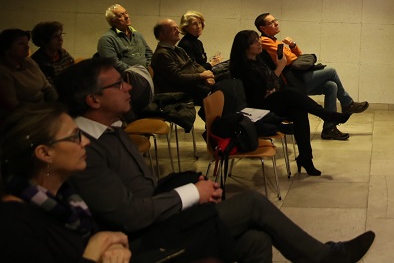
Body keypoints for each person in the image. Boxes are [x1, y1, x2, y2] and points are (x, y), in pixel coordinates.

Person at [57, 57, 376, 263]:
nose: (128, 87)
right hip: (145, 239)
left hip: (162, 217)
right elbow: (128, 214)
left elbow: (142, 188)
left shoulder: (110, 129)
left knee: (256, 241)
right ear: (93, 99)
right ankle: (325, 257)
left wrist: (185, 186)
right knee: (252, 203)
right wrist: (190, 193)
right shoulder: (85, 149)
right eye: (118, 84)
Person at [0, 102, 131, 263]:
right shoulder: (13, 222)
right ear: (44, 153)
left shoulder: (66, 195)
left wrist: (111, 247)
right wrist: (96, 248)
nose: (86, 141)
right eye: (75, 136)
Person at [229, 30, 352, 177]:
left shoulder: (261, 56)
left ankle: (306, 158)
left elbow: (273, 81)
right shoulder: (241, 67)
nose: (259, 43)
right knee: (290, 93)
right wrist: (279, 69)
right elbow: (258, 92)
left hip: (271, 99)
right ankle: (326, 114)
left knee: (299, 111)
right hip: (257, 107)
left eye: (258, 39)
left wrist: (272, 86)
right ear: (245, 47)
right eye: (254, 41)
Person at [255, 13, 367, 141]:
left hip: (297, 76)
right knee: (331, 71)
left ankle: (329, 128)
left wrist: (293, 45)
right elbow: (290, 60)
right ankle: (347, 104)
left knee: (331, 86)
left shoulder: (275, 41)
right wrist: (292, 55)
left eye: (275, 20)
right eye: (271, 22)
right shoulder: (265, 41)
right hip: (290, 81)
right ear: (263, 28)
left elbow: (298, 56)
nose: (276, 23)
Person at [150, 19, 214, 103]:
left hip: (192, 86)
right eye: (173, 29)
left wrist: (207, 75)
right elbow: (177, 78)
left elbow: (194, 65)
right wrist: (202, 75)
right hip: (180, 93)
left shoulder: (179, 50)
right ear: (161, 34)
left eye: (177, 28)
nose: (178, 31)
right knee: (219, 93)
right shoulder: (162, 54)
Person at [0, 28, 58, 120]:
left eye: (27, 43)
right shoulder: (3, 71)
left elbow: (47, 86)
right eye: (21, 44)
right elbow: (13, 105)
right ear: (6, 48)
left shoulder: (29, 61)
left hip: (44, 109)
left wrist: (56, 104)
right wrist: (43, 111)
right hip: (23, 116)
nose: (27, 47)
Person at [96, 4, 152, 72]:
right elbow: (113, 63)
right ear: (112, 21)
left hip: (144, 74)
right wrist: (135, 72)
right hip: (124, 76)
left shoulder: (137, 34)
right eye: (120, 15)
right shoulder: (107, 39)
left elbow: (149, 53)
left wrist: (146, 68)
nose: (127, 16)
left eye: (126, 13)